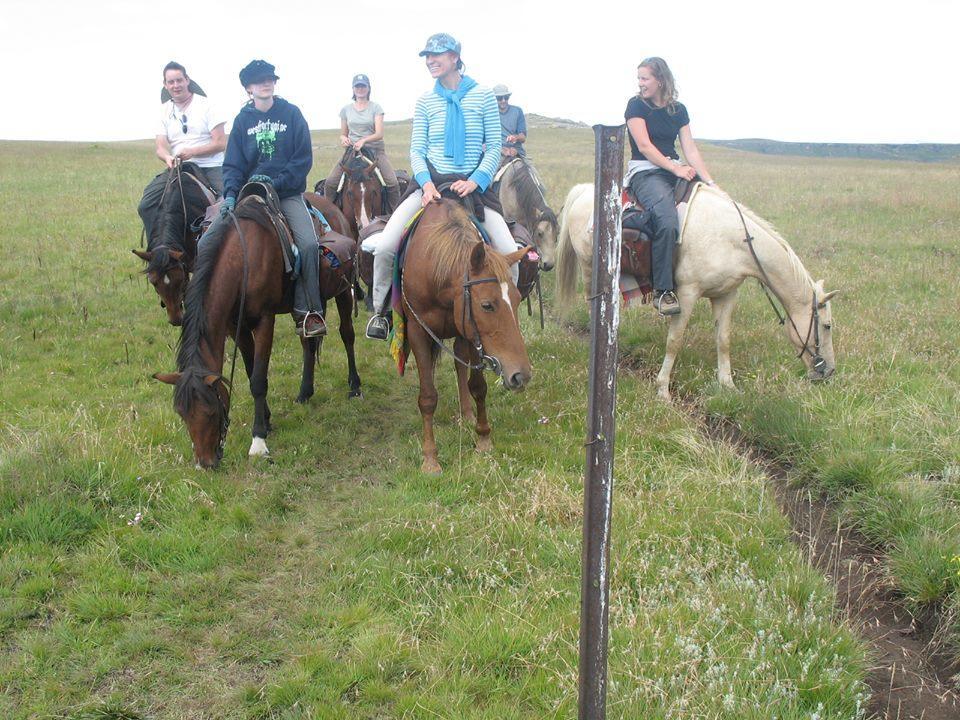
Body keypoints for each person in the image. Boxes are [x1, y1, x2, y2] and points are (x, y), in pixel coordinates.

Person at [361, 33, 519, 340]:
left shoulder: (484, 96)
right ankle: (382, 313)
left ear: (455, 57)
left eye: (438, 55)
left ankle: (506, 318)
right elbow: (417, 151)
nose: (431, 61)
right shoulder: (425, 102)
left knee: (510, 252)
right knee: (384, 248)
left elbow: (494, 146)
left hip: (472, 187)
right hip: (431, 185)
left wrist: (476, 181)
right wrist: (427, 184)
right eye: (427, 56)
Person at [212, 59, 325, 337]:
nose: (266, 83)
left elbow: (302, 160)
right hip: (248, 196)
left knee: (309, 245)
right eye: (259, 80)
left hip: (285, 194)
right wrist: (229, 195)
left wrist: (276, 183)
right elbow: (234, 164)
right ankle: (212, 305)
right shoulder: (242, 121)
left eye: (270, 79)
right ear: (248, 88)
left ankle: (308, 311)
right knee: (208, 241)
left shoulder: (292, 114)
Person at [624, 56, 716, 316]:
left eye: (645, 78)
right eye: (639, 78)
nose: (640, 83)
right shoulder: (636, 106)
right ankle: (664, 290)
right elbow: (644, 146)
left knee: (708, 206)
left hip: (675, 169)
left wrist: (710, 181)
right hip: (646, 172)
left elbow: (691, 150)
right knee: (667, 220)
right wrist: (676, 169)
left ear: (661, 80)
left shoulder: (679, 110)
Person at [137, 61, 226, 242]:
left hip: (211, 166)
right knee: (146, 205)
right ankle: (159, 249)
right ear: (165, 85)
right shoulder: (163, 110)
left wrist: (192, 152)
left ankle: (224, 253)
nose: (176, 85)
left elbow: (220, 143)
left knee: (228, 203)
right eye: (171, 82)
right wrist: (167, 157)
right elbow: (160, 147)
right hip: (179, 167)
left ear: (187, 80)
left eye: (179, 80)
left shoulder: (207, 105)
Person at [322, 73, 401, 213]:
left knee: (392, 182)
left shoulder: (376, 108)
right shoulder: (346, 110)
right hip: (353, 151)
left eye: (363, 86)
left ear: (368, 88)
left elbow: (379, 133)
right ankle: (329, 217)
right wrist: (343, 139)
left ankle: (394, 215)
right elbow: (343, 134)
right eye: (357, 86)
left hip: (374, 150)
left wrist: (363, 140)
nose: (360, 89)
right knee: (330, 182)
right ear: (353, 89)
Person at [493, 84, 526, 160]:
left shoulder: (518, 111)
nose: (503, 100)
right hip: (496, 152)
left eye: (506, 97)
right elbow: (484, 142)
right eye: (500, 98)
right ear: (494, 98)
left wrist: (515, 137)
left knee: (531, 171)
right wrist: (500, 150)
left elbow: (523, 137)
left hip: (517, 152)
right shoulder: (490, 113)